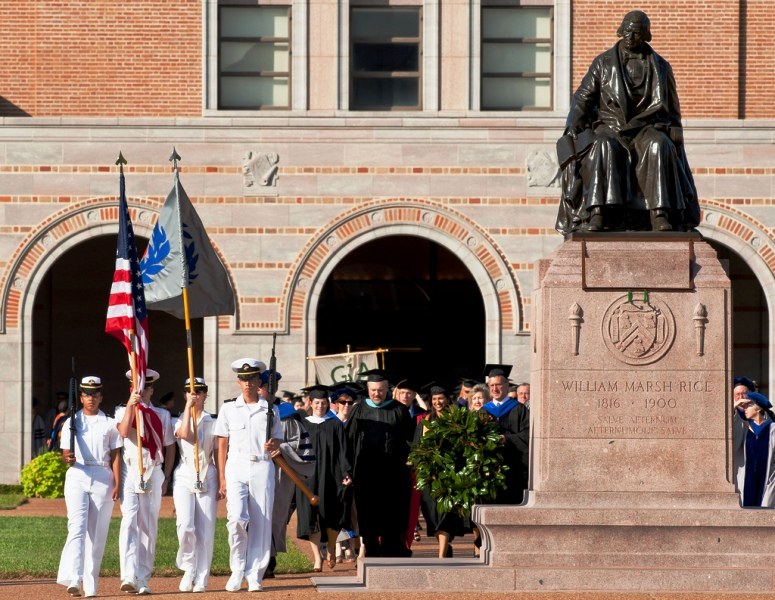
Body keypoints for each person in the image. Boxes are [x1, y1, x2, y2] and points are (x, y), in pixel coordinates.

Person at [556, 10, 699, 234]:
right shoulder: (603, 63)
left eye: (637, 33)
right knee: (603, 146)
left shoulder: (661, 67)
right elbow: (583, 98)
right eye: (628, 32)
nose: (631, 37)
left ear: (645, 35)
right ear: (621, 32)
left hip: (646, 127)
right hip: (611, 127)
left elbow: (672, 110)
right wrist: (572, 127)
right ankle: (598, 212)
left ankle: (659, 212)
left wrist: (675, 132)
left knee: (658, 145)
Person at [215, 358, 282, 592]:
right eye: (243, 379)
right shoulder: (228, 408)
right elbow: (222, 443)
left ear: (258, 381)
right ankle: (237, 570)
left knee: (262, 522)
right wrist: (222, 477)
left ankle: (255, 574)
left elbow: (278, 440)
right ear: (238, 382)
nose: (247, 383)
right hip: (236, 466)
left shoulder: (270, 410)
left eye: (252, 378)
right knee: (236, 520)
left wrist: (275, 444)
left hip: (262, 466)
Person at [56, 376, 122, 598]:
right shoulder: (71, 422)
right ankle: (74, 579)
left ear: (101, 397)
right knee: (76, 527)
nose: (91, 398)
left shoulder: (109, 422)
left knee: (97, 533)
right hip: (78, 474)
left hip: (102, 475)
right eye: (86, 394)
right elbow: (66, 452)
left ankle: (91, 583)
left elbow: (115, 454)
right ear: (81, 397)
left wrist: (117, 482)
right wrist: (68, 457)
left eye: (95, 394)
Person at [115, 368, 176, 595]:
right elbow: (122, 432)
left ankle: (143, 577)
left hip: (154, 470)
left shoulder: (162, 414)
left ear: (151, 388)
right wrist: (132, 405)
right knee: (129, 521)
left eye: (145, 387)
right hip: (131, 470)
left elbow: (170, 447)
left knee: (148, 524)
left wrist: (166, 476)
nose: (142, 390)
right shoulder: (122, 410)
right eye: (137, 386)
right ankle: (128, 575)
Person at [346, 369, 415, 557]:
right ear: (368, 389)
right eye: (374, 390)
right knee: (367, 508)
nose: (377, 394)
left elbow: (410, 441)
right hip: (366, 470)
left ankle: (393, 545)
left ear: (387, 389)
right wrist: (348, 469)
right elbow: (349, 441)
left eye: (381, 390)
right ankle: (371, 546)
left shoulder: (398, 410)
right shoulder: (359, 409)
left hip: (393, 472)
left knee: (393, 508)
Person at [296, 386, 352, 571]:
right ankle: (317, 558)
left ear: (328, 403)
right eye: (317, 403)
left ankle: (330, 548)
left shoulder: (334, 424)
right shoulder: (303, 424)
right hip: (308, 475)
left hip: (331, 474)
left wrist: (346, 472)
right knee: (310, 515)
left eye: (323, 403)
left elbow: (343, 451)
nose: (320, 406)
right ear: (310, 403)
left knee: (332, 512)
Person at [267, 370, 316, 580]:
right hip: (251, 472)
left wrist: (282, 449)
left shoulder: (287, 414)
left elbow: (300, 446)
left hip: (279, 472)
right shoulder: (245, 410)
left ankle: (269, 559)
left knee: (275, 515)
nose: (265, 390)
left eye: (269, 386)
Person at [172, 377, 219, 593]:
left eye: (199, 392)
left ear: (205, 395)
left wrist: (222, 481)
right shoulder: (178, 420)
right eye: (191, 392)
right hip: (184, 474)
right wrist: (188, 408)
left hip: (207, 473)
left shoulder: (213, 421)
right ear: (185, 395)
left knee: (205, 529)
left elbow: (218, 452)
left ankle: (202, 576)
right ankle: (189, 567)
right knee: (185, 525)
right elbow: (185, 435)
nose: (195, 395)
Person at [413, 384, 462, 558]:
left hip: (449, 474)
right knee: (431, 513)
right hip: (429, 475)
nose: (437, 402)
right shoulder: (425, 422)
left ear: (447, 399)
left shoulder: (455, 420)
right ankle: (444, 544)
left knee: (446, 513)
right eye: (434, 399)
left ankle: (441, 554)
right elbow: (417, 446)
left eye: (440, 398)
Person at [483, 364, 530, 504]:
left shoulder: (519, 409)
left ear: (507, 384)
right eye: (491, 385)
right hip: (489, 469)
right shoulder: (483, 411)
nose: (495, 389)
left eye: (498, 385)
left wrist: (507, 439)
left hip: (514, 467)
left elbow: (528, 434)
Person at [733, 391, 775, 507]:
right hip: (746, 480)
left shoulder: (772, 429)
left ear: (757, 409)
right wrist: (735, 406)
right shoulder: (744, 427)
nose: (744, 408)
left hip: (768, 480)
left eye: (748, 406)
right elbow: (731, 433)